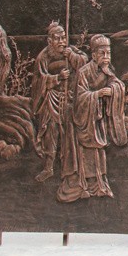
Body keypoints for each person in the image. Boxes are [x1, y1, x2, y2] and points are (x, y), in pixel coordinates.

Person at [67, 35, 127, 202]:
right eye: (102, 53)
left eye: (109, 53)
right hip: (86, 118)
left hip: (98, 118)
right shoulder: (84, 72)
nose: (106, 57)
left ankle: (101, 184)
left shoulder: (106, 70)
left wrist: (113, 89)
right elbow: (80, 97)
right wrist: (98, 94)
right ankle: (86, 185)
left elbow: (119, 85)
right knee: (87, 152)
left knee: (99, 152)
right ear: (93, 55)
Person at [30, 22, 88, 183]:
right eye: (58, 38)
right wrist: (57, 78)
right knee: (51, 133)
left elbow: (85, 62)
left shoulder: (70, 51)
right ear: (50, 41)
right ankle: (48, 167)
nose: (62, 41)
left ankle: (71, 168)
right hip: (51, 100)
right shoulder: (43, 57)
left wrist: (72, 56)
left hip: (69, 99)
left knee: (69, 134)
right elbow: (38, 80)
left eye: (64, 38)